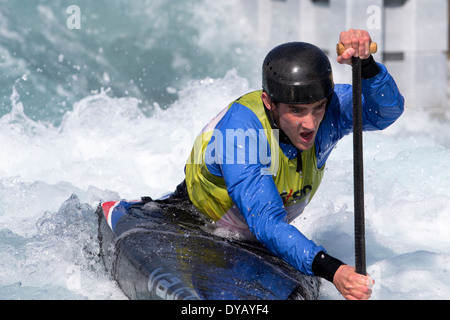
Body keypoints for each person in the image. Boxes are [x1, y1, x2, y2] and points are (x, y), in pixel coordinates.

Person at [181, 29, 404, 300]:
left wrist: (366, 66)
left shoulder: (330, 111)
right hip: (195, 222)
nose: (310, 123)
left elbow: (385, 112)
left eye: (317, 107)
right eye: (296, 111)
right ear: (269, 103)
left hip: (261, 236)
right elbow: (266, 222)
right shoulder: (241, 133)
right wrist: (333, 270)